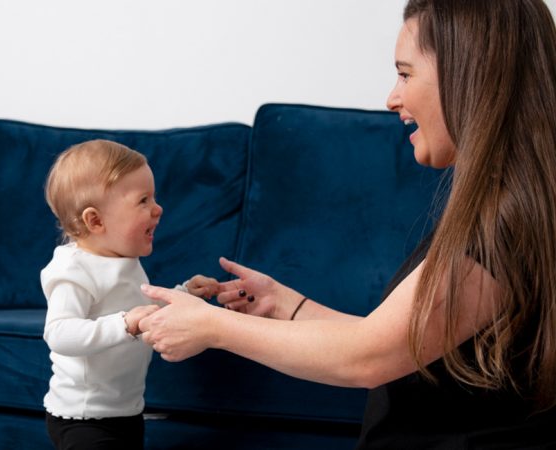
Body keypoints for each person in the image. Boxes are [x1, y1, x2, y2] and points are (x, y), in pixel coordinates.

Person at [138, 0, 556, 448]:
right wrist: (286, 306)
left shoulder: (501, 225)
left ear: (468, 73)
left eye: (405, 73)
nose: (392, 98)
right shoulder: (511, 209)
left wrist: (211, 327)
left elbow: (368, 357)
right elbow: (394, 339)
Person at [41, 139, 162, 450]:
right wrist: (125, 324)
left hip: (126, 410)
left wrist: (187, 293)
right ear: (95, 221)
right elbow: (59, 333)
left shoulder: (123, 260)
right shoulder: (74, 270)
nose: (157, 209)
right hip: (83, 415)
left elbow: (143, 309)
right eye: (144, 201)